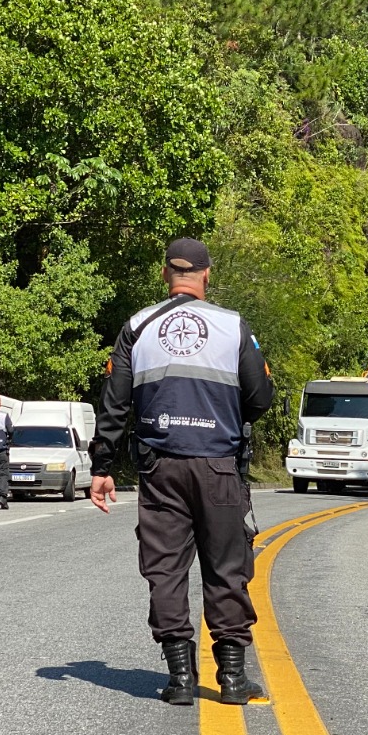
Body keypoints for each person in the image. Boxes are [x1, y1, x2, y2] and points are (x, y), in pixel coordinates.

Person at [89, 238, 275, 706]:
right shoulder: (233, 326)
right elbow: (260, 398)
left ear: (165, 274)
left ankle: (179, 679)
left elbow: (115, 403)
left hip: (160, 468)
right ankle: (232, 679)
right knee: (227, 569)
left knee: (166, 570)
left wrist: (102, 465)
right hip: (219, 466)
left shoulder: (137, 327)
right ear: (207, 274)